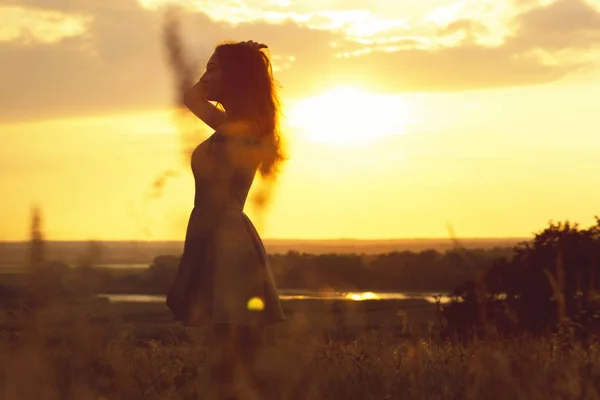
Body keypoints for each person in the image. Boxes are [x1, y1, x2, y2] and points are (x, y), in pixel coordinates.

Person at [166, 40, 286, 398]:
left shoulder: (244, 129)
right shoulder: (232, 125)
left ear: (236, 78)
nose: (205, 76)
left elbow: (191, 97)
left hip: (227, 240)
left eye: (214, 68)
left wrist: (227, 74)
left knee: (234, 347)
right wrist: (215, 75)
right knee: (227, 348)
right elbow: (190, 97)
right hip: (214, 233)